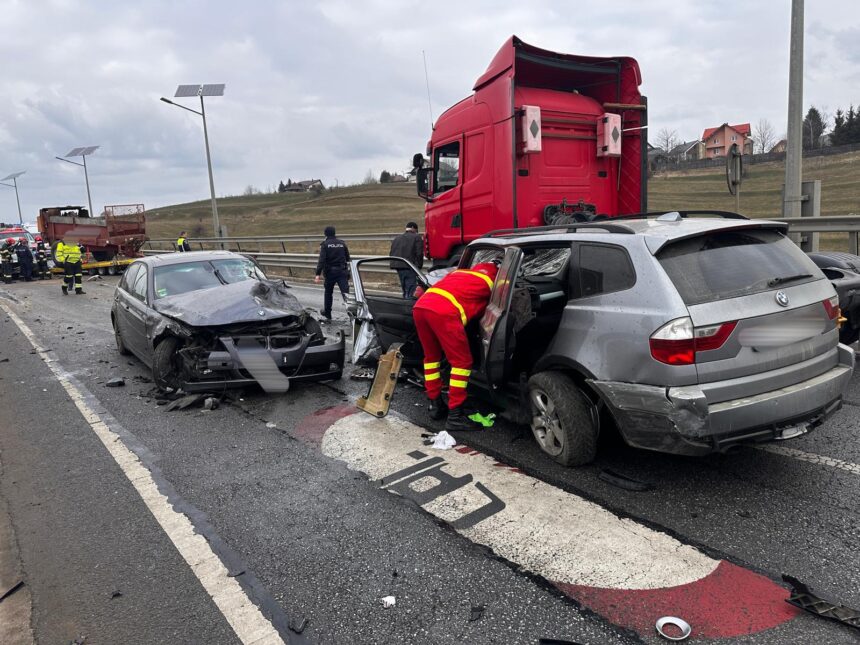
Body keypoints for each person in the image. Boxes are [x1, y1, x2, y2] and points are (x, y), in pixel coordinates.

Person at [413, 260, 498, 431]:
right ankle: (455, 415)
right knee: (461, 363)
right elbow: (495, 308)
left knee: (431, 359)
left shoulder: (459, 273)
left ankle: (435, 405)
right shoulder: (490, 283)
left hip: (421, 306)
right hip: (443, 312)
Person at [314, 226, 350, 321]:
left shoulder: (325, 244)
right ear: (334, 233)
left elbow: (322, 260)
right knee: (346, 295)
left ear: (325, 234)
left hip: (330, 273)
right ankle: (353, 316)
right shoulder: (342, 243)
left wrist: (317, 274)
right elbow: (348, 258)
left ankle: (328, 314)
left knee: (328, 293)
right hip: (342, 272)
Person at [388, 222, 424, 297]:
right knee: (411, 289)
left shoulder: (397, 238)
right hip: (410, 266)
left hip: (398, 265)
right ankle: (408, 303)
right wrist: (419, 266)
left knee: (405, 288)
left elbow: (391, 252)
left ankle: (405, 299)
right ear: (413, 228)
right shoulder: (416, 237)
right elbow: (419, 253)